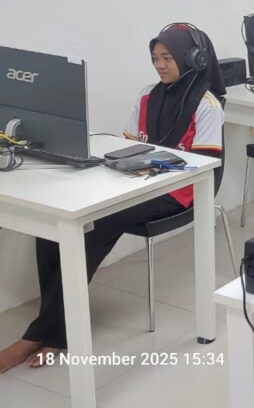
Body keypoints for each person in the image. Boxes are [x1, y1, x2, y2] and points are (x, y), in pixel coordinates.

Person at [0, 23, 226, 373]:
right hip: (137, 182)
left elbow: (204, 165)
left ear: (192, 58)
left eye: (167, 58)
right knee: (54, 226)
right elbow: (129, 146)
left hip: (181, 190)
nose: (159, 65)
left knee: (99, 222)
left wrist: (148, 172)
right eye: (155, 58)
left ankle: (43, 334)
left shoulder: (208, 105)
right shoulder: (147, 95)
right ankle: (57, 326)